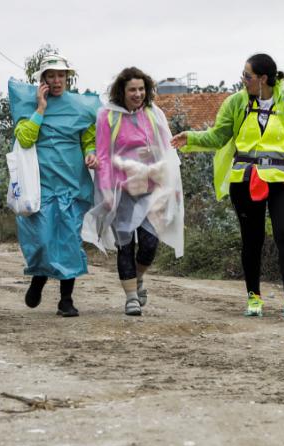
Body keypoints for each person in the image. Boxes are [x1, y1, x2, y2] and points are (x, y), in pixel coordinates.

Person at [170, 53, 284, 319]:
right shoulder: (236, 102)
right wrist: (190, 137)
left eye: (247, 76)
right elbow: (219, 136)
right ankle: (254, 298)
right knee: (253, 239)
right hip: (246, 179)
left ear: (263, 79)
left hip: (283, 179)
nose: (243, 80)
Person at [84, 66, 184, 316]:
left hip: (151, 188)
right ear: (122, 91)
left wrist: (172, 186)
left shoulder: (154, 114)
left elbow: (167, 152)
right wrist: (106, 190)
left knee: (150, 243)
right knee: (125, 244)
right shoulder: (107, 116)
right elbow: (104, 155)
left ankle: (138, 278)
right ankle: (130, 297)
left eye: (141, 89)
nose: (138, 94)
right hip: (122, 189)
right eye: (132, 90)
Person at [9, 53, 100, 317]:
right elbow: (25, 140)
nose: (57, 80)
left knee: (69, 241)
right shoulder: (28, 106)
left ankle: (66, 300)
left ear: (68, 78)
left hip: (72, 186)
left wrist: (90, 152)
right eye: (52, 76)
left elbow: (89, 138)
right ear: (43, 80)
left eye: (62, 75)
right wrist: (40, 109)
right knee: (41, 240)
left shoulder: (81, 107)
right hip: (40, 188)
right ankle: (38, 280)